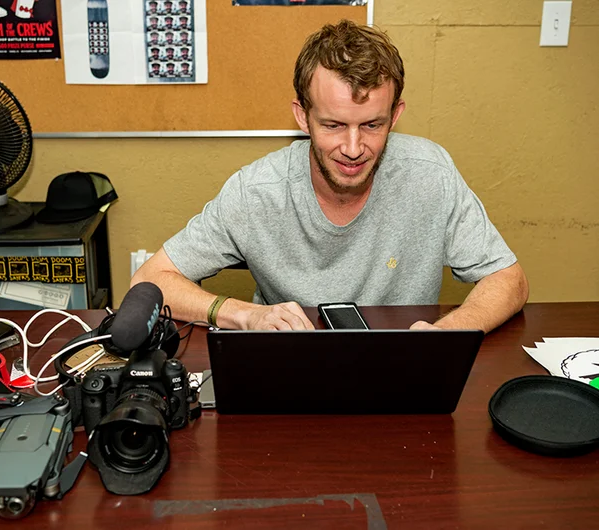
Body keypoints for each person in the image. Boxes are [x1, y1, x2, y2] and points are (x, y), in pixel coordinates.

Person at [132, 20, 529, 332]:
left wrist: (448, 332)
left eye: (372, 125)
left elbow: (509, 280)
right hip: (294, 371)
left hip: (402, 376)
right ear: (303, 117)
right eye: (334, 125)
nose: (354, 148)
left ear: (396, 115)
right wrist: (243, 314)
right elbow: (150, 281)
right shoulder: (256, 191)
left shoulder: (431, 175)